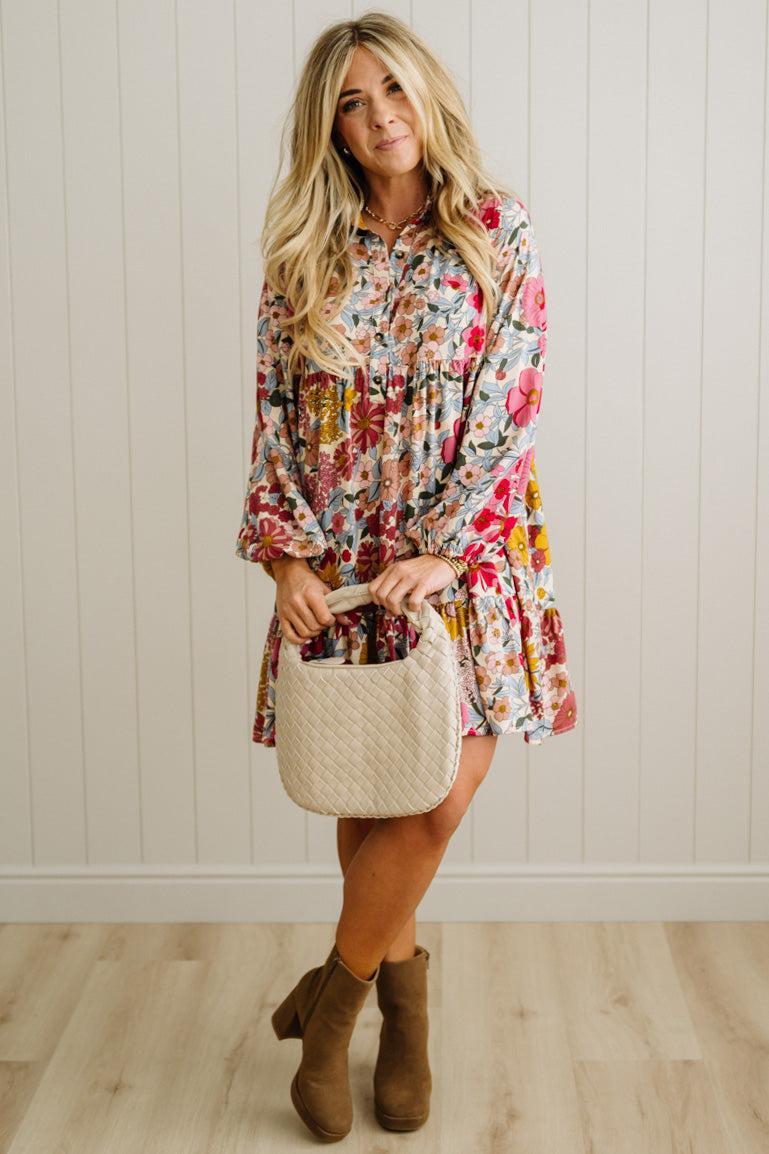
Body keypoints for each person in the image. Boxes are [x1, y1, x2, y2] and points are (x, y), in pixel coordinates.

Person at [235, 10, 578, 1143]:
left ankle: (329, 1014)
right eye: (349, 99)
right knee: (374, 788)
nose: (378, 114)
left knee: (436, 792)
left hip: (462, 556)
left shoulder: (495, 228)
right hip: (340, 560)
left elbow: (510, 407)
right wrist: (286, 554)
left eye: (392, 88)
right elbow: (275, 419)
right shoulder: (303, 250)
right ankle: (405, 1014)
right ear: (326, 124)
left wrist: (446, 547)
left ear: (426, 93)